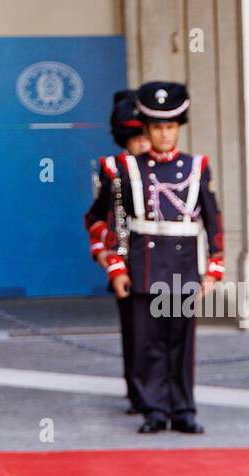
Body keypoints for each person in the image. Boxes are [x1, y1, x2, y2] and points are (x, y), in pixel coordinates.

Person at [89, 80, 223, 435]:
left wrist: (214, 267)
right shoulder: (124, 170)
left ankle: (182, 409)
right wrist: (115, 266)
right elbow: (104, 220)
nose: (164, 135)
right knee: (148, 344)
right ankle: (152, 409)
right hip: (142, 265)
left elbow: (212, 219)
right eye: (157, 127)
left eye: (170, 127)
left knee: (181, 343)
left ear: (178, 128)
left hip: (182, 266)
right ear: (145, 128)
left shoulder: (196, 166)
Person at [85, 89, 149, 415]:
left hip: (164, 260)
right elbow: (98, 217)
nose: (142, 142)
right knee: (135, 334)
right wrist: (102, 253)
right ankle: (139, 393)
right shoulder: (111, 169)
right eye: (135, 136)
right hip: (125, 260)